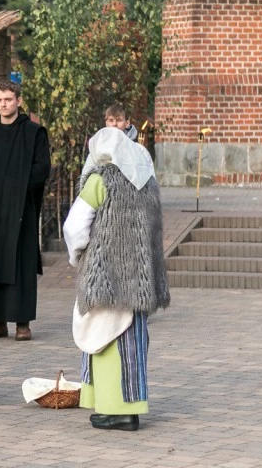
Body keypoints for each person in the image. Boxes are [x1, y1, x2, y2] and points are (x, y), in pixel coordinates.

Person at [63, 126, 170, 431]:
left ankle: (114, 410)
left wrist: (77, 256)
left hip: (105, 274)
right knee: (130, 341)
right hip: (139, 278)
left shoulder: (100, 179)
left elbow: (75, 226)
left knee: (102, 338)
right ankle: (128, 409)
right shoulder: (147, 183)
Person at [0, 81, 51, 341]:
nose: (3, 104)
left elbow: (41, 169)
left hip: (19, 211)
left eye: (8, 99)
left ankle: (22, 323)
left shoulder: (33, 133)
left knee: (19, 264)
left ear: (19, 101)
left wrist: (14, 187)